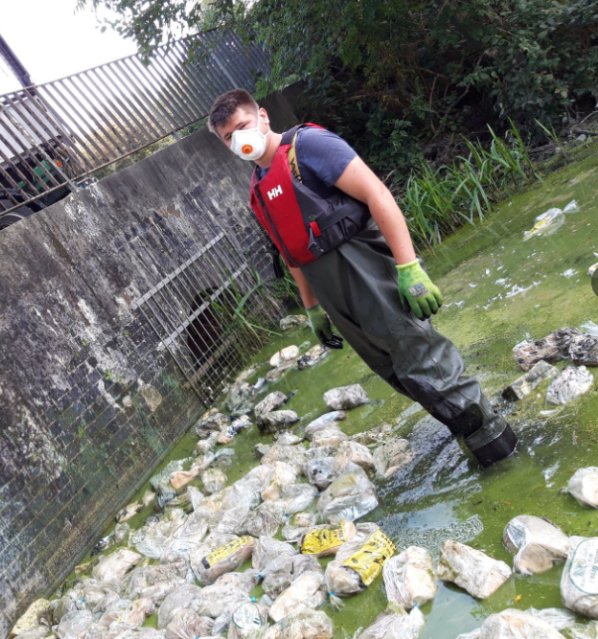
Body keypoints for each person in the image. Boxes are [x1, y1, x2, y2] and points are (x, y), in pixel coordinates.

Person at [208, 89, 518, 467]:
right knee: (393, 370)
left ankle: (501, 449)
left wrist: (409, 268)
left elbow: (376, 193)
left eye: (242, 126)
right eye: (228, 136)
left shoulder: (308, 145)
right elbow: (291, 254)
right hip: (328, 288)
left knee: (420, 358)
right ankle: (469, 432)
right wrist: (313, 308)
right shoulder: (258, 187)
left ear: (263, 117)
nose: (238, 138)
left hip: (364, 266)